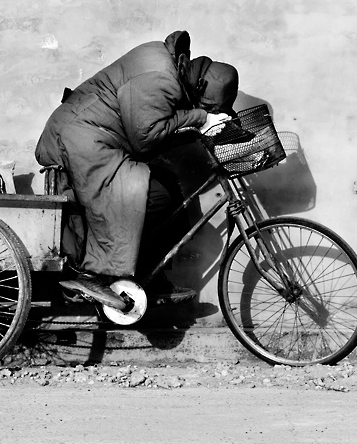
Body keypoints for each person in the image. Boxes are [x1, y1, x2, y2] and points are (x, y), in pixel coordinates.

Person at [34, 30, 239, 310]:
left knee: (167, 189)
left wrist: (196, 122)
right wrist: (200, 116)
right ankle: (93, 274)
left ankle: (146, 277)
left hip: (94, 136)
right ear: (200, 86)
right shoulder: (162, 78)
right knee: (151, 197)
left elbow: (153, 124)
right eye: (205, 104)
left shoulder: (169, 67)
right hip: (81, 139)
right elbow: (145, 138)